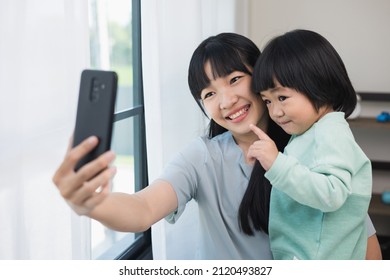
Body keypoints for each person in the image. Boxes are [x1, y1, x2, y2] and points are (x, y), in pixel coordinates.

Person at [53, 32, 381, 260]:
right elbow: (143, 209)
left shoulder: (314, 143)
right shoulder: (203, 157)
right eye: (209, 94)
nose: (226, 101)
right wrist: (90, 204)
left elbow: (357, 235)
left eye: (235, 79)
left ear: (264, 75)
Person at [249, 29, 373, 259]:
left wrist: (276, 164)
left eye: (282, 97)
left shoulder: (331, 132)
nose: (275, 111)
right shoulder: (309, 133)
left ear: (319, 85)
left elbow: (331, 193)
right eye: (267, 101)